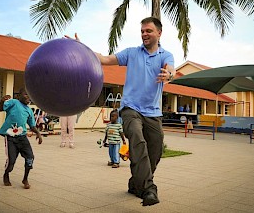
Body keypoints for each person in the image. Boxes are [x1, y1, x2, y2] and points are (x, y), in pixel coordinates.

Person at [66, 17, 175, 206]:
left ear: (159, 33)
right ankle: (149, 190)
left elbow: (170, 70)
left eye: (148, 30)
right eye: (142, 31)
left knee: (155, 151)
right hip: (130, 108)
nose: (144, 34)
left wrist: (169, 75)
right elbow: (105, 59)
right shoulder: (131, 53)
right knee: (136, 139)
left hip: (153, 112)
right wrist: (82, 48)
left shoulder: (166, 55)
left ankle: (135, 183)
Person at [0, 88, 42, 189]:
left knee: (30, 158)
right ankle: (6, 174)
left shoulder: (29, 110)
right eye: (26, 94)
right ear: (19, 96)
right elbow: (1, 108)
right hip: (10, 138)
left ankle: (25, 178)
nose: (29, 97)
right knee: (11, 161)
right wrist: (2, 101)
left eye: (30, 95)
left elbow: (32, 125)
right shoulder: (14, 102)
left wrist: (38, 134)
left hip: (22, 138)